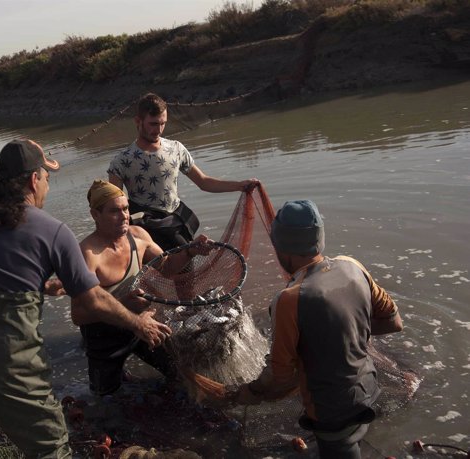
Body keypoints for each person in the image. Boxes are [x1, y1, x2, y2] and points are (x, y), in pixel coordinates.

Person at [0, 140, 171, 459]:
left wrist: (37, 289)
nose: (48, 186)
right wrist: (138, 323)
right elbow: (92, 301)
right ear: (33, 180)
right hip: (4, 355)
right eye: (47, 178)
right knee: (51, 447)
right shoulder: (54, 231)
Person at [207, 200, 404, 459]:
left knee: (340, 449)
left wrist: (244, 394)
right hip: (368, 386)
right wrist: (346, 334)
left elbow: (279, 377)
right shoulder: (352, 266)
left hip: (331, 410)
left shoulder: (289, 299)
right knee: (353, 439)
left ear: (282, 248)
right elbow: (394, 322)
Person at [79, 180, 211, 395]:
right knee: (106, 398)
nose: (124, 216)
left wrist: (189, 252)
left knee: (179, 373)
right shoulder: (87, 255)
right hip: (104, 333)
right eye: (114, 211)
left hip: (142, 324)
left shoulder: (138, 235)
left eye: (126, 208)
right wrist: (123, 304)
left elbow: (167, 268)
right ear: (95, 215)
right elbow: (79, 314)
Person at [107, 92, 260, 250]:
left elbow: (203, 182)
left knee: (186, 266)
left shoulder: (176, 148)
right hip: (146, 228)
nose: (159, 130)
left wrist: (240, 186)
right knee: (170, 268)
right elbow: (115, 206)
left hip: (176, 221)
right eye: (153, 124)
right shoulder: (121, 161)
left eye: (163, 123)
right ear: (138, 121)